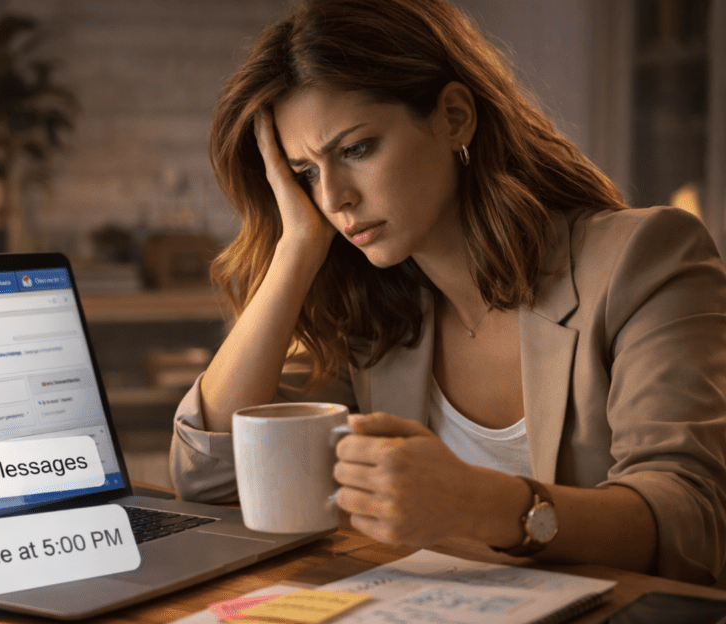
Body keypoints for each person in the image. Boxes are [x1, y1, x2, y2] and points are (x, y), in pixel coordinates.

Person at [169, 0, 726, 585]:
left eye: (355, 150)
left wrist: (485, 505)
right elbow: (209, 477)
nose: (333, 198)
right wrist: (296, 249)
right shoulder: (371, 314)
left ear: (454, 117)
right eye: (305, 172)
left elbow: (691, 526)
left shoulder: (644, 258)